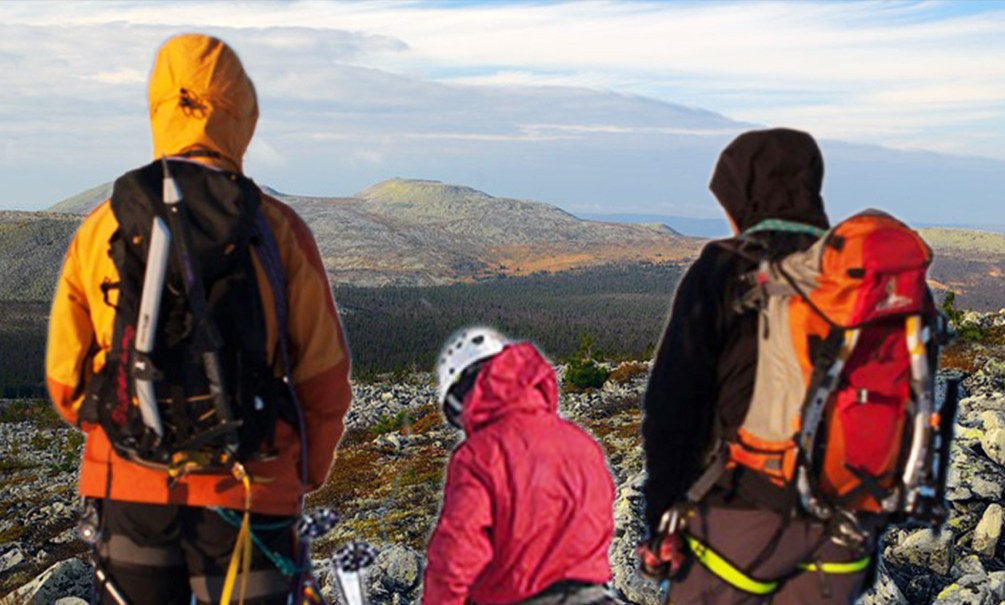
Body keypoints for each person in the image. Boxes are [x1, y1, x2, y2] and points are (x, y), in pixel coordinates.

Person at [46, 34, 352, 605]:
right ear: (242, 113)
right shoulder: (277, 229)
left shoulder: (102, 227)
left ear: (159, 106)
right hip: (251, 490)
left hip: (129, 485)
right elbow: (324, 381)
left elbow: (66, 383)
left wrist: (126, 426)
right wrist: (301, 471)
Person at [638, 129, 883, 604]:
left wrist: (661, 518)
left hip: (744, 517)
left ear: (746, 196)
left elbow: (673, 408)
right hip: (847, 535)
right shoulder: (856, 274)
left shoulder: (722, 269)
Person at [423, 327, 616, 605]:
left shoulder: (480, 454)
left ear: (466, 393)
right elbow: (597, 525)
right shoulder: (582, 442)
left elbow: (457, 553)